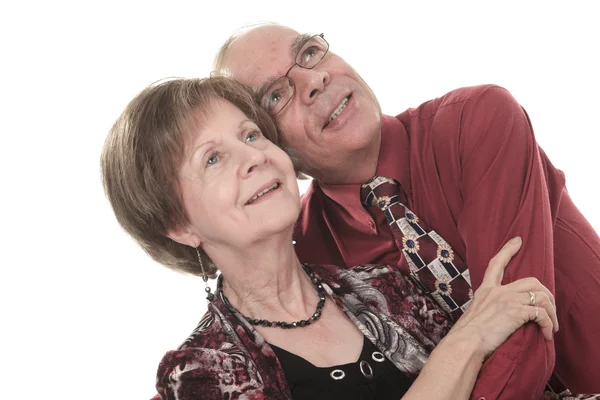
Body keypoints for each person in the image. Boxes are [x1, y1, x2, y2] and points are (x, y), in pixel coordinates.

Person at [101, 76, 570, 400]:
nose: (254, 158)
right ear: (179, 225)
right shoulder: (200, 373)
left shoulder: (387, 289)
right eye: (212, 159)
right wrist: (466, 341)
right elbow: (475, 344)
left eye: (250, 135)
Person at [213, 24, 600, 397]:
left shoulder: (477, 120)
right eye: (277, 96)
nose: (314, 81)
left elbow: (525, 328)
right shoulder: (306, 251)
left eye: (310, 53)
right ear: (268, 148)